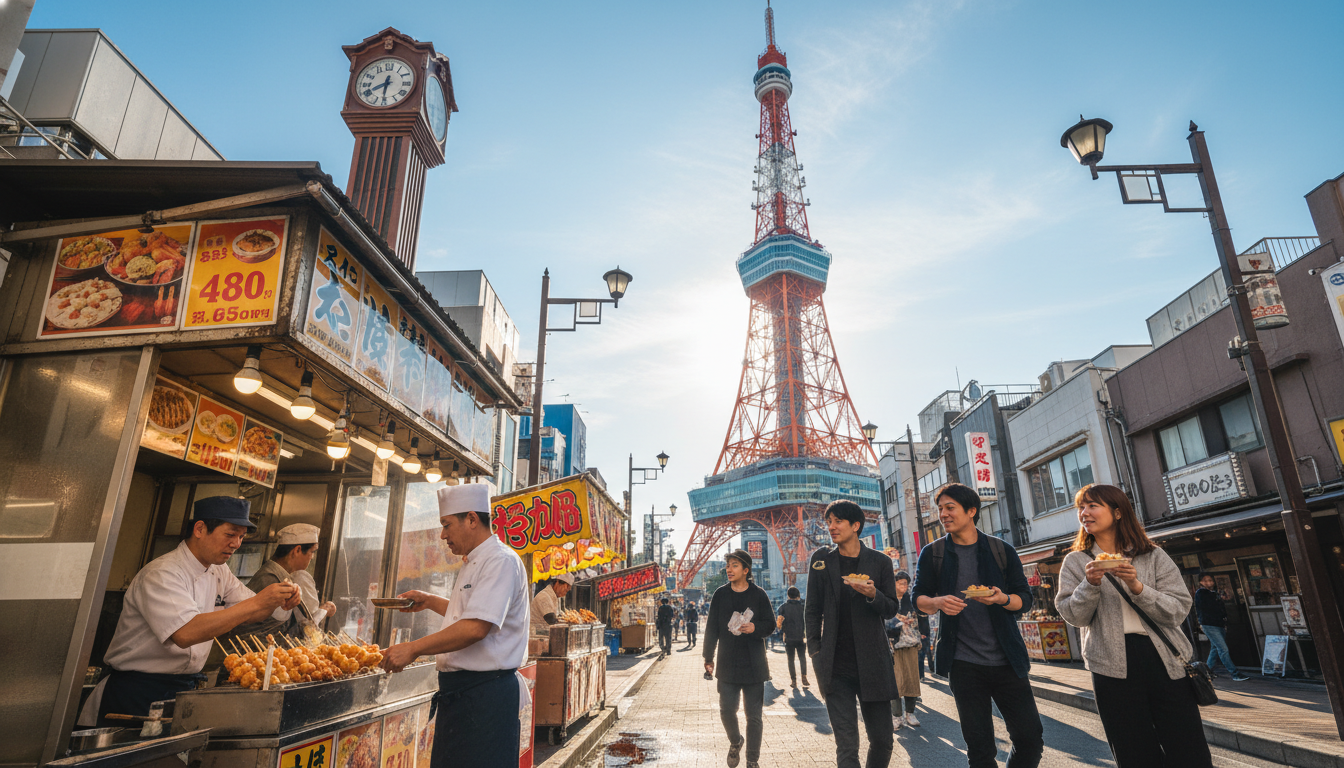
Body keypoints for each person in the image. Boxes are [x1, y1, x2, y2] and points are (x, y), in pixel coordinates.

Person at [88, 497, 299, 726]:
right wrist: (259, 602)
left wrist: (279, 600)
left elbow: (250, 611)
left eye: (241, 536)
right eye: (230, 534)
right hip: (137, 690)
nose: (237, 544)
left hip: (184, 688)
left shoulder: (219, 571)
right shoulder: (163, 573)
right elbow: (186, 633)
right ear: (200, 529)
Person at [1055, 484, 1213, 768]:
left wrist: (1137, 585)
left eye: (1093, 506)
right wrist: (1088, 585)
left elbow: (1178, 609)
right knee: (1133, 751)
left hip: (1165, 660)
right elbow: (1073, 615)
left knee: (1189, 749)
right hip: (1110, 664)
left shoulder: (1152, 555)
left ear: (1117, 512)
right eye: (1081, 507)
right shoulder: (1077, 561)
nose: (1084, 513)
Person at [381, 484, 530, 768]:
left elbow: (475, 627)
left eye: (447, 525)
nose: (443, 535)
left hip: (485, 695)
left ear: (472, 520)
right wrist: (429, 601)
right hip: (462, 696)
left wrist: (413, 649)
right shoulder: (473, 561)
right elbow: (469, 613)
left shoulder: (500, 560)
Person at [913, 483, 1042, 768]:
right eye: (940, 509)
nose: (943, 515)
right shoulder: (933, 553)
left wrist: (1002, 599)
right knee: (980, 749)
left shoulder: (1000, 550)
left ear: (971, 511)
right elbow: (917, 598)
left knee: (1031, 738)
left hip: (1007, 660)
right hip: (963, 663)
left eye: (950, 508)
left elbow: (1025, 598)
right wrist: (938, 603)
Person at [806, 500, 900, 768]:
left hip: (873, 662)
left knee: (883, 740)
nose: (831, 527)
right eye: (829, 522)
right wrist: (815, 650)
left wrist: (873, 595)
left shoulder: (880, 561)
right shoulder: (821, 560)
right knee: (847, 745)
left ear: (855, 525)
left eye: (838, 521)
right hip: (835, 665)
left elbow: (892, 608)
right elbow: (812, 608)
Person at [703, 549, 774, 768]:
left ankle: (752, 759)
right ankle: (736, 741)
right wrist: (708, 657)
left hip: (754, 664)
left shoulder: (759, 594)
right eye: (728, 565)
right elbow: (711, 628)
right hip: (726, 663)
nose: (729, 570)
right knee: (726, 711)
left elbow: (770, 625)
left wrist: (755, 627)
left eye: (734, 565)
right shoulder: (720, 594)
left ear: (746, 569)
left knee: (754, 717)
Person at [228, 523, 336, 642]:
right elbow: (295, 630)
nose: (312, 557)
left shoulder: (282, 576)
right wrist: (323, 611)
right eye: (312, 551)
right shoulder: (270, 579)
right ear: (297, 550)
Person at [886, 571, 923, 730]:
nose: (904, 586)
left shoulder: (912, 600)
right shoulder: (888, 600)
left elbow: (921, 619)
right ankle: (896, 716)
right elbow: (883, 620)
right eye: (901, 583)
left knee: (911, 679)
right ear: (893, 584)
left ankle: (910, 713)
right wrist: (899, 620)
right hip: (893, 645)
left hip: (910, 644)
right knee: (896, 681)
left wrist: (922, 637)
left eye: (906, 583)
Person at [1194, 573, 1245, 681]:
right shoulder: (1201, 593)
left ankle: (1207, 672)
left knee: (1215, 648)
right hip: (1209, 624)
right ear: (1201, 582)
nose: (1209, 582)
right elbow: (1206, 607)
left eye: (1210, 580)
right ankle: (1235, 673)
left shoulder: (1214, 593)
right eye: (1205, 580)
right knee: (1223, 649)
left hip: (1219, 624)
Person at [777, 586, 808, 688]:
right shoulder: (803, 606)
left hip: (789, 638)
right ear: (798, 595)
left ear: (788, 595)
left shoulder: (782, 608)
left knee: (791, 660)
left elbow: (779, 624)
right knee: (802, 658)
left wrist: (781, 631)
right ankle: (804, 677)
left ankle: (793, 681)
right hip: (801, 637)